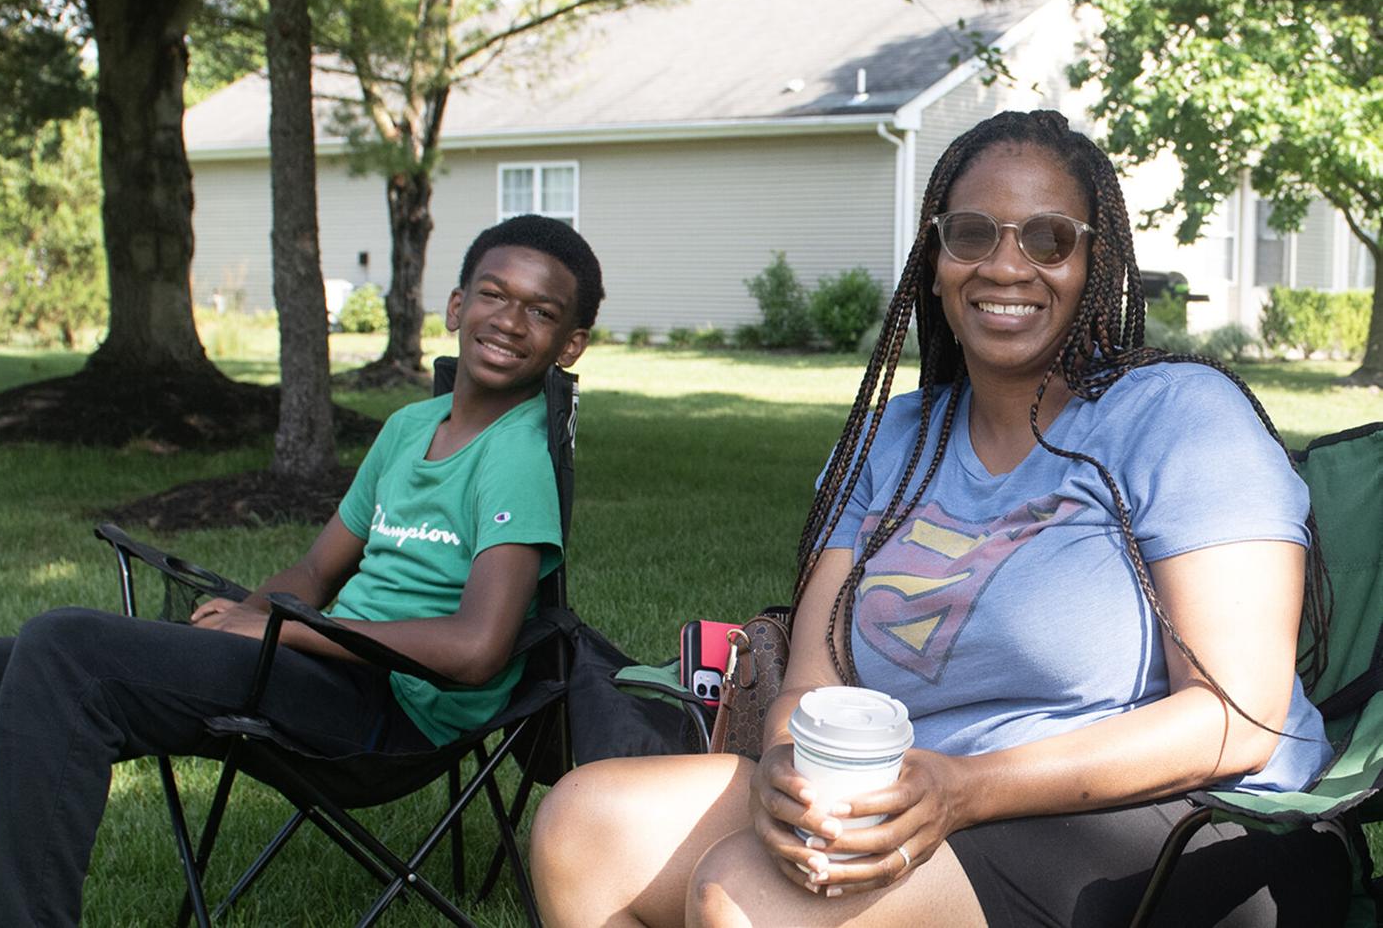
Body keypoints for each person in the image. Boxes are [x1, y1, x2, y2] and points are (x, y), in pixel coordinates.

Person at [529, 111, 1351, 927]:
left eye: (1048, 238)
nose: (1006, 264)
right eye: (971, 234)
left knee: (746, 891)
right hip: (927, 793)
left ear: (1097, 263)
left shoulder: (1182, 417)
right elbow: (812, 683)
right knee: (586, 826)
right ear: (934, 261)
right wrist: (786, 762)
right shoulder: (892, 440)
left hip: (1194, 823)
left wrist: (967, 788)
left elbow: (1236, 719)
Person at [0, 213, 602, 927]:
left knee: (65, 648)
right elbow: (314, 568)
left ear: (569, 342)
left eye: (541, 311)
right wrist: (247, 618)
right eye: (494, 294)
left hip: (391, 718)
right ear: (456, 306)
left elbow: (477, 649)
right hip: (322, 667)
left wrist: (292, 629)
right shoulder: (408, 430)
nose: (511, 320)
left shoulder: (517, 457)